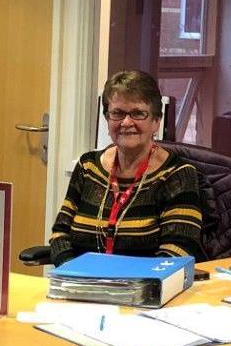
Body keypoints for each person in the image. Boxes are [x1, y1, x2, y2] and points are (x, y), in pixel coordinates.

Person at [48, 70, 204, 265]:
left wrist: (127, 285)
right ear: (107, 119)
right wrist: (72, 272)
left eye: (138, 113)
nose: (126, 122)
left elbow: (178, 252)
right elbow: (60, 234)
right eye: (117, 113)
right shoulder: (88, 167)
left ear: (156, 121)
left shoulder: (177, 174)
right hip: (78, 284)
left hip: (144, 290)